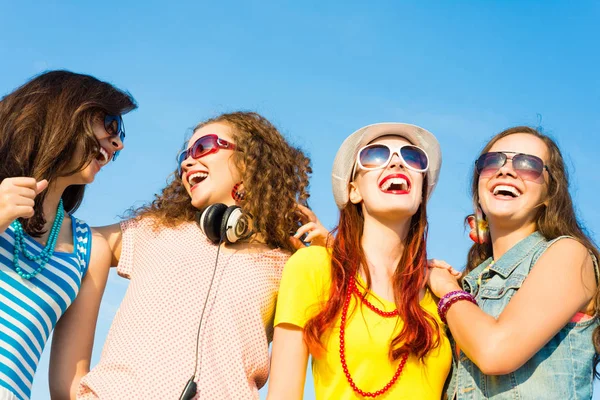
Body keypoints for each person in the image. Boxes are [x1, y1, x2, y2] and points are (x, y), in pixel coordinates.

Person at [77, 112, 318, 399]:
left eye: (203, 147)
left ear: (249, 160)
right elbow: (71, 237)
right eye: (184, 155)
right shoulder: (152, 230)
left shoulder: (285, 265)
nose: (188, 162)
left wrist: (329, 259)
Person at [268, 123, 452, 399]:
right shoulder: (314, 267)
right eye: (376, 154)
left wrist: (453, 292)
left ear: (423, 192)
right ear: (353, 190)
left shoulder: (443, 292)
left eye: (412, 156)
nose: (396, 163)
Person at [428, 126, 600, 399]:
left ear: (549, 193)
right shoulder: (469, 286)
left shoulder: (568, 254)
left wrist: (446, 289)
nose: (505, 170)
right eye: (492, 161)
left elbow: (496, 351)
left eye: (527, 164)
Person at [0, 70, 136, 400]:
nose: (118, 142)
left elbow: (69, 387)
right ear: (64, 113)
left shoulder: (87, 249)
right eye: (109, 123)